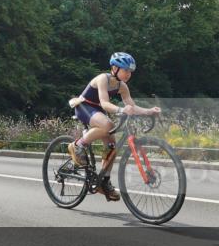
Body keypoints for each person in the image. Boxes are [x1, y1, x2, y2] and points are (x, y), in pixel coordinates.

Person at [66, 52, 161, 202]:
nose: (128, 74)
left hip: (98, 111)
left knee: (112, 145)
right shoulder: (103, 78)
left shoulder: (122, 86)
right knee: (108, 124)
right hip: (84, 106)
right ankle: (77, 145)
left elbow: (132, 106)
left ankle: (104, 181)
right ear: (115, 68)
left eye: (130, 71)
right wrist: (121, 110)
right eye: (125, 70)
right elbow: (104, 103)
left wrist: (149, 111)